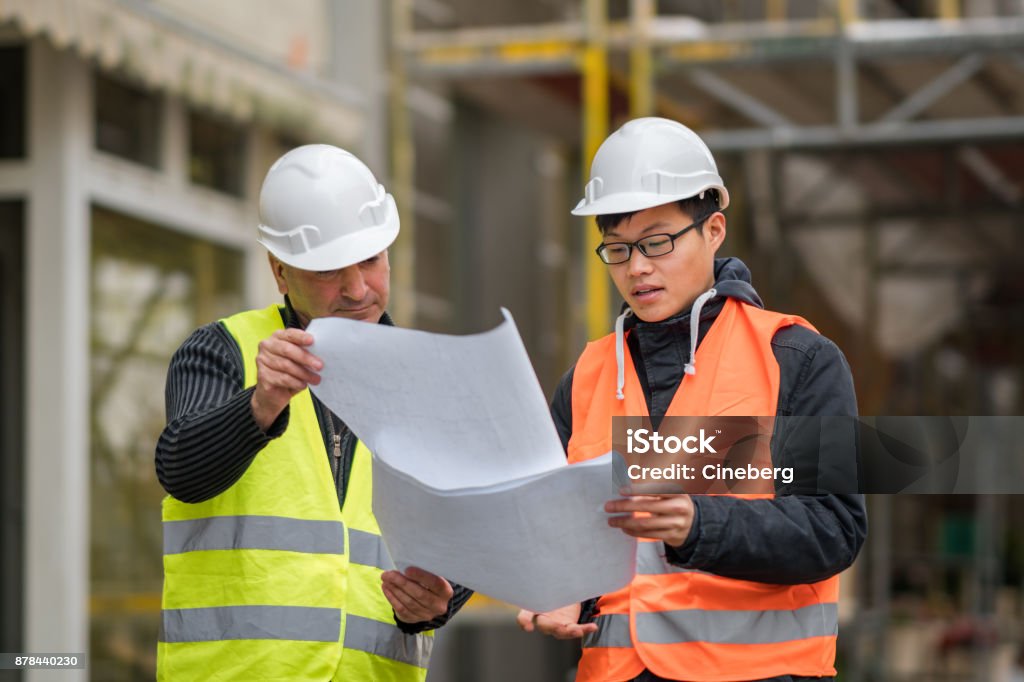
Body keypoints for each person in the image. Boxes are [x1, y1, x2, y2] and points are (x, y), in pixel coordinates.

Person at [517, 118, 867, 682]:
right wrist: (561, 593)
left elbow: (833, 528)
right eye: (617, 248)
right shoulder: (587, 376)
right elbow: (559, 530)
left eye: (657, 242)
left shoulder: (796, 358)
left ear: (714, 230)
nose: (637, 267)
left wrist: (697, 524)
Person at [155, 144, 471, 681]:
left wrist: (441, 601)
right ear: (280, 272)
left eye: (370, 261)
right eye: (328, 270)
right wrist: (261, 403)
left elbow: (465, 533)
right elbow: (183, 472)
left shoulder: (427, 382)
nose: (356, 290)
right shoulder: (223, 350)